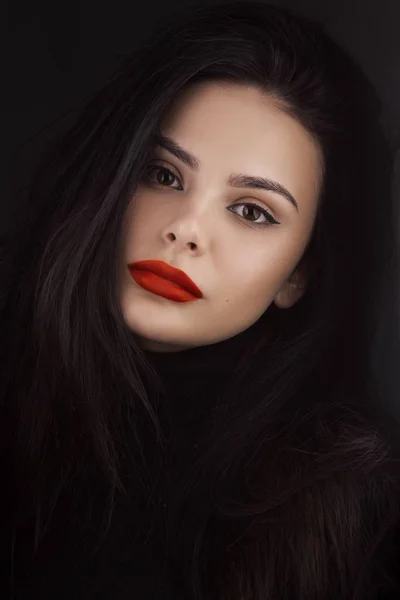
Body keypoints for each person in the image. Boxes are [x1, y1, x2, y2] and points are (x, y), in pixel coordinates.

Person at [1, 1, 400, 598]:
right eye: (164, 174)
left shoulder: (350, 513)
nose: (185, 227)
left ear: (298, 276)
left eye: (251, 211)